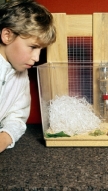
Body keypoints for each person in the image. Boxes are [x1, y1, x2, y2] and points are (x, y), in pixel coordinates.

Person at [0, 0, 56, 152]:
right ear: (7, 35)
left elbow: (17, 117)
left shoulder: (22, 74)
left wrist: (4, 139)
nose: (37, 58)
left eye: (40, 50)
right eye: (32, 47)